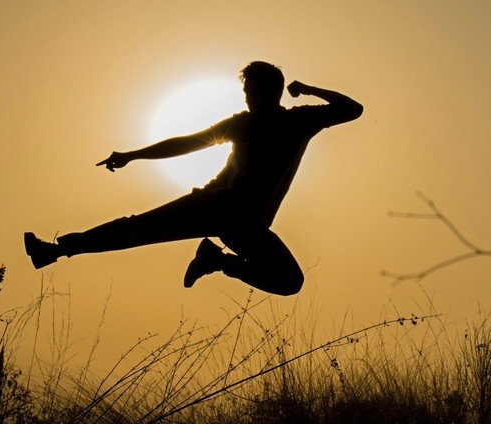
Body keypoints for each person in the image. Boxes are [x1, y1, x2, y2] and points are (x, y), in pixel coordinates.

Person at [24, 61, 362, 296]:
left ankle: (217, 261)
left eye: (250, 91)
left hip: (247, 226)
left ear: (267, 92)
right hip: (215, 206)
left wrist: (307, 88)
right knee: (137, 229)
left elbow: (353, 109)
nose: (246, 98)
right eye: (245, 92)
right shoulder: (251, 124)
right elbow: (187, 143)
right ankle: (53, 250)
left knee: (289, 282)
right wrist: (134, 155)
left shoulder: (297, 121)